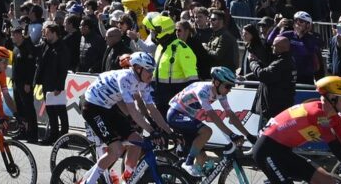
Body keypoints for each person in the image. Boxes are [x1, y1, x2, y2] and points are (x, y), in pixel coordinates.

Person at [78, 52, 175, 183]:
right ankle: (88, 182)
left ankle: (126, 180)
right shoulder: (126, 78)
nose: (151, 74)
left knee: (137, 141)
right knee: (116, 150)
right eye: (149, 70)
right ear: (138, 68)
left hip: (109, 106)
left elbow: (152, 109)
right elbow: (133, 110)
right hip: (92, 106)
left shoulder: (143, 82)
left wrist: (170, 132)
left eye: (153, 70)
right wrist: (152, 130)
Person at [249, 76, 341, 184]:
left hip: (283, 152)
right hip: (267, 151)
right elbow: (336, 149)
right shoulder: (318, 114)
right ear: (333, 98)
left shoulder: (331, 115)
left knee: (327, 180)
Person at [166, 66, 253, 174]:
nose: (230, 90)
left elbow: (231, 115)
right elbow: (213, 116)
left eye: (231, 86)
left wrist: (248, 135)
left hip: (188, 117)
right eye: (228, 86)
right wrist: (231, 134)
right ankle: (188, 163)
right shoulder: (203, 91)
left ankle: (189, 178)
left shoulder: (221, 93)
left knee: (202, 158)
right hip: (175, 114)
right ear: (216, 83)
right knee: (207, 131)